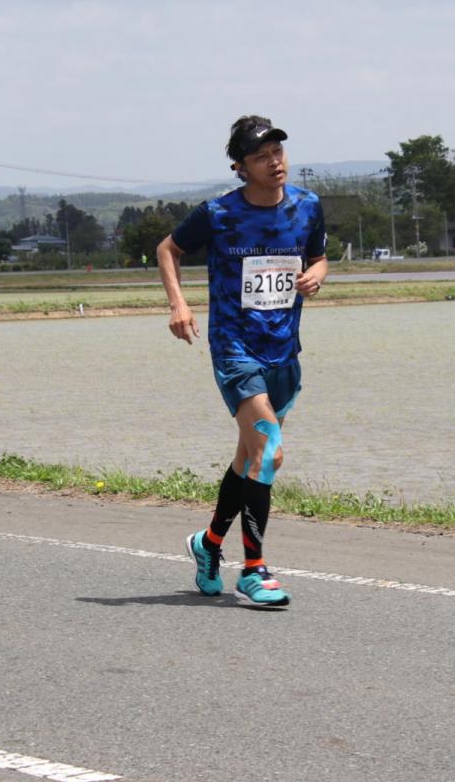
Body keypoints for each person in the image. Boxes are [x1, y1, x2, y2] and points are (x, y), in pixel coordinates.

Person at [157, 115, 327, 608]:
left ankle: (208, 545)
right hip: (234, 347)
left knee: (249, 459)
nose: (274, 162)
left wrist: (316, 275)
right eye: (260, 156)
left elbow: (319, 256)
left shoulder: (307, 206)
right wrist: (178, 304)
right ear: (240, 167)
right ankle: (254, 570)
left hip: (283, 350)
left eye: (277, 152)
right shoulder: (219, 213)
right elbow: (168, 249)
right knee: (269, 450)